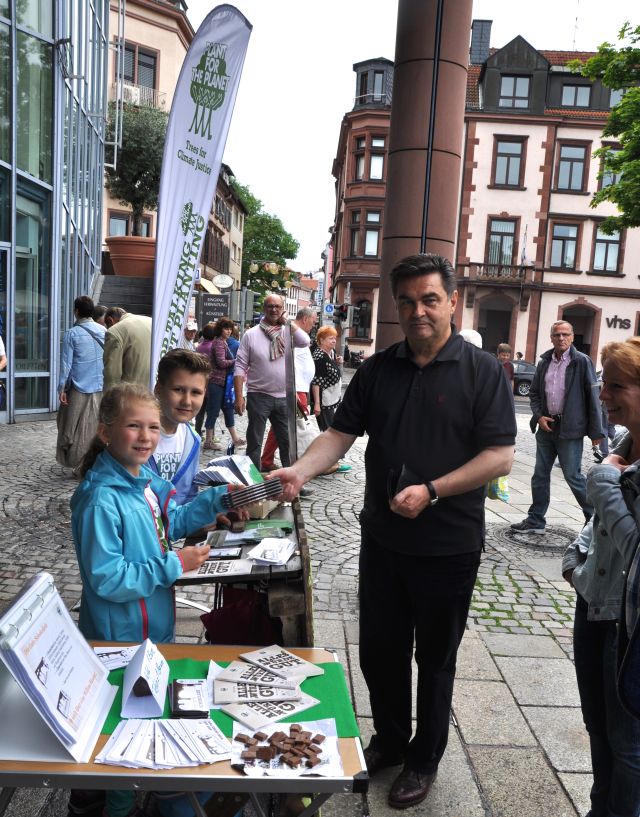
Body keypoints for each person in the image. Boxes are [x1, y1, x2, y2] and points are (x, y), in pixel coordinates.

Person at [271, 253, 516, 808]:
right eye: (406, 301)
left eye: (429, 299)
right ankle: (390, 739)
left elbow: (500, 457)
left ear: (451, 301)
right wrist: (300, 469)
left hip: (448, 546)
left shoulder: (481, 372)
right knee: (380, 651)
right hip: (382, 539)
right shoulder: (380, 369)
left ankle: (424, 757)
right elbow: (340, 435)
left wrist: (433, 490)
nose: (418, 311)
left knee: (434, 660)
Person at [70, 383, 229, 817]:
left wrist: (219, 499)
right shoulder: (101, 498)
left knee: (145, 716)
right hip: (115, 637)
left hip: (152, 627)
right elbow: (106, 578)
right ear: (105, 432)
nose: (145, 436)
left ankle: (129, 796)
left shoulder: (143, 480)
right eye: (133, 426)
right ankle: (115, 807)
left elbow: (172, 520)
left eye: (153, 428)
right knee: (125, 728)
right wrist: (174, 564)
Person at [562, 337, 640, 817]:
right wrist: (577, 559)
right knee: (596, 725)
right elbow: (599, 526)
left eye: (616, 385)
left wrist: (605, 485)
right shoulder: (620, 445)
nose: (603, 395)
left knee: (629, 744)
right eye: (603, 383)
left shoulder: (612, 467)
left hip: (631, 625)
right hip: (594, 602)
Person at [511, 320, 603, 534]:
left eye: (565, 334)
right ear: (551, 337)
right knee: (540, 474)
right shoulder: (544, 362)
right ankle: (536, 519)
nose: (561, 338)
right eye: (557, 335)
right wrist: (539, 416)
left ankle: (593, 518)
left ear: (572, 337)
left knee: (573, 476)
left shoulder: (581, 361)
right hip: (546, 426)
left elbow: (592, 396)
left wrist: (596, 432)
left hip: (570, 428)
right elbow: (534, 394)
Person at [233, 293, 310, 471]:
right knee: (254, 442)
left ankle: (292, 482)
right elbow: (240, 366)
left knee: (288, 443)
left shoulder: (288, 332)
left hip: (284, 397)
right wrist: (239, 397)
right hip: (258, 396)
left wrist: (289, 324)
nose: (274, 310)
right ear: (264, 309)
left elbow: (305, 341)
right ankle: (253, 483)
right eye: (270, 306)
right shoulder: (251, 335)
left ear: (283, 310)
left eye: (277, 306)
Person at [147, 349, 209, 504]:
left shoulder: (192, 440)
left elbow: (189, 496)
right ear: (159, 389)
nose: (187, 401)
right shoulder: (135, 437)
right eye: (178, 390)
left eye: (195, 392)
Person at [261, 307, 317, 472]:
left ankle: (267, 459)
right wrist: (292, 391)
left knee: (282, 426)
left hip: (299, 388)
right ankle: (278, 460)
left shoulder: (296, 334)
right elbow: (287, 361)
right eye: (313, 322)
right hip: (296, 389)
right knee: (292, 426)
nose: (313, 325)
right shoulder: (292, 334)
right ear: (305, 319)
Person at [56, 295, 107, 471]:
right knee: (91, 426)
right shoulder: (104, 331)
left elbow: (66, 364)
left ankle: (76, 461)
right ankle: (88, 463)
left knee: (70, 426)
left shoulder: (72, 333)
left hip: (78, 387)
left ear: (76, 311)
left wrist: (62, 388)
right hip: (100, 386)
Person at [197, 317, 245, 451]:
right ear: (220, 329)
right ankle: (208, 441)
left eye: (230, 328)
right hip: (216, 382)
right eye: (226, 328)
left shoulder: (223, 342)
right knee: (213, 411)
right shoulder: (218, 343)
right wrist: (236, 360)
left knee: (228, 410)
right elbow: (221, 362)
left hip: (224, 383)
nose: (229, 331)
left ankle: (235, 439)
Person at [103, 307, 152, 391]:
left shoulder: (115, 331)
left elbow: (112, 374)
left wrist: (109, 397)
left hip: (131, 393)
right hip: (155, 390)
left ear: (110, 320)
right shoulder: (151, 321)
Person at [311, 325, 343, 431]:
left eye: (334, 338)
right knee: (327, 432)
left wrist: (336, 363)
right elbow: (317, 382)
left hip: (329, 401)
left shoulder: (329, 353)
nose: (334, 341)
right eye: (330, 338)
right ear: (321, 340)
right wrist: (317, 404)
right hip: (323, 403)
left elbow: (328, 372)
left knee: (327, 430)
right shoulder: (319, 356)